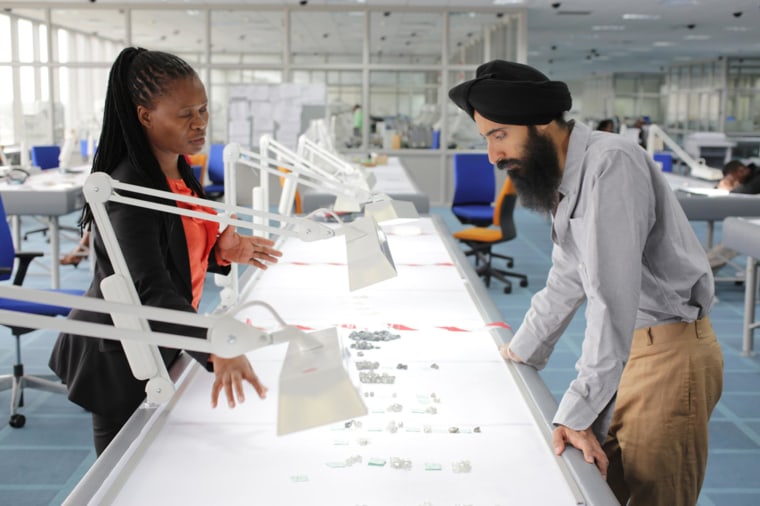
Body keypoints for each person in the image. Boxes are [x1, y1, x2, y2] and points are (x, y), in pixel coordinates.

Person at [449, 60, 723, 506]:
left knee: (655, 496)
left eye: (499, 135)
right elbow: (567, 276)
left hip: (669, 355)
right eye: (487, 139)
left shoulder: (610, 164)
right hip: (629, 352)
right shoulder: (568, 176)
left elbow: (610, 298)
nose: (492, 156)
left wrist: (577, 411)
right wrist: (521, 353)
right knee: (598, 487)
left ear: (540, 123)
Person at [49, 47, 283, 456]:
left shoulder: (176, 168)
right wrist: (215, 344)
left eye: (204, 110)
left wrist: (218, 250)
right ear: (145, 116)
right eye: (185, 114)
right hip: (122, 354)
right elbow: (149, 288)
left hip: (164, 337)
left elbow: (173, 247)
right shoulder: (128, 189)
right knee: (121, 478)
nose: (200, 124)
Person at [708, 160, 760, 271]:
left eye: (734, 178)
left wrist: (729, 188)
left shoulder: (757, 177)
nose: (736, 181)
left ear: (741, 170)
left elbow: (747, 190)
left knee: (736, 238)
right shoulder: (751, 176)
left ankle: (702, 271)